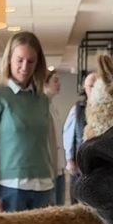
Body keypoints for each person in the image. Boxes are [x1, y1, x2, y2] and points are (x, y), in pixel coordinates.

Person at [0, 31, 55, 213]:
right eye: (19, 60)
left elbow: (44, 145)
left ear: (38, 63)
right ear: (9, 59)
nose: (25, 67)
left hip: (42, 186)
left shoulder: (42, 99)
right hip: (9, 189)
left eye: (31, 61)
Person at [63, 72, 97, 204]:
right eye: (90, 85)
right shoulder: (78, 109)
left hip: (97, 163)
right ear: (85, 88)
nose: (93, 88)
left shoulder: (106, 107)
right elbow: (68, 134)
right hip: (79, 160)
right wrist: (70, 158)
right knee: (77, 198)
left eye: (96, 85)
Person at [43, 69, 66, 205]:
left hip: (60, 165)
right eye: (55, 81)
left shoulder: (53, 107)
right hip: (49, 167)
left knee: (60, 205)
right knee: (52, 206)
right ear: (45, 83)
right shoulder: (42, 108)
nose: (59, 84)